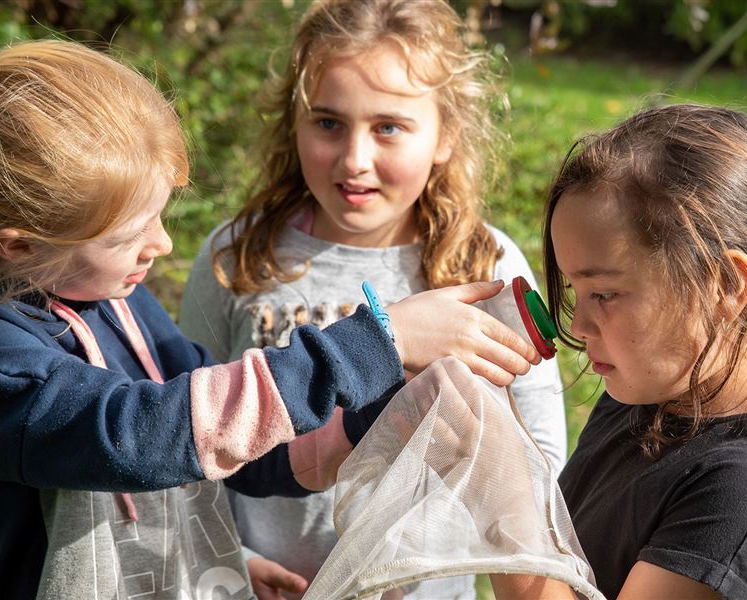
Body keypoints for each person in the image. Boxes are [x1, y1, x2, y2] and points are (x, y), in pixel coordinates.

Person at [0, 40, 541, 600]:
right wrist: (375, 343)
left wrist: (382, 418)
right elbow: (134, 436)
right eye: (131, 234)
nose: (160, 245)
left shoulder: (105, 292)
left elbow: (233, 430)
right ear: (19, 244)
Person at [177, 1, 567, 598]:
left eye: (388, 127)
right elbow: (189, 435)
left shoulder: (489, 269)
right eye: (328, 123)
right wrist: (238, 558)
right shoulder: (237, 256)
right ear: (295, 123)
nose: (355, 159)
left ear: (446, 135)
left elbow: (539, 463)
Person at [490, 104, 747, 600]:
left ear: (726, 284)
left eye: (603, 294)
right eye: (575, 294)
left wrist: (498, 473)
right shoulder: (658, 387)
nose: (579, 327)